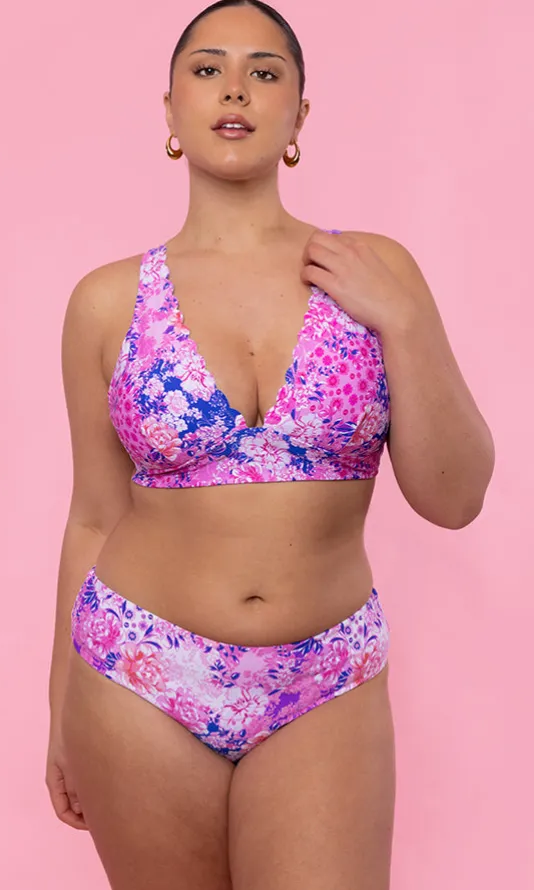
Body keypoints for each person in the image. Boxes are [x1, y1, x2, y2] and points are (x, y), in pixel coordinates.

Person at [45, 1, 495, 887]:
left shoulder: (373, 270)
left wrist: (402, 322)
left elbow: (457, 498)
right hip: (139, 670)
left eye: (265, 71)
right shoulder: (107, 301)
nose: (236, 89)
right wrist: (59, 710)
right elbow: (92, 515)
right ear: (171, 109)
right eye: (207, 69)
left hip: (325, 674)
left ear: (299, 114)